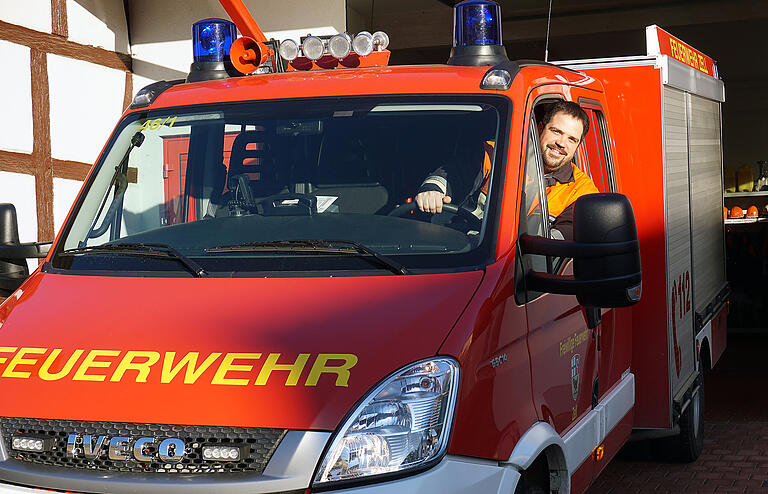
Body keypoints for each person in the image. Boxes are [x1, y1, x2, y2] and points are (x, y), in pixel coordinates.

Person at [415, 100, 599, 239]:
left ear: (578, 146)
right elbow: (456, 173)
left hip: (521, 275)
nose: (561, 143)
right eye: (556, 132)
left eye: (571, 139)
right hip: (466, 252)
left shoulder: (582, 191)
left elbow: (560, 240)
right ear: (539, 129)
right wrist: (433, 191)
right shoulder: (496, 153)